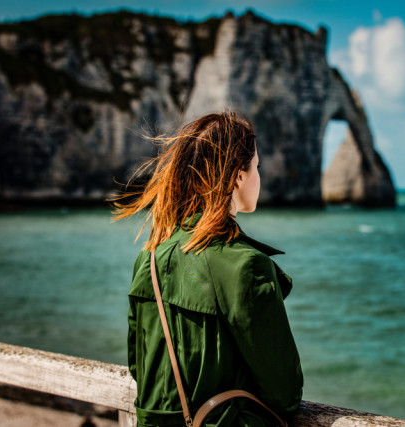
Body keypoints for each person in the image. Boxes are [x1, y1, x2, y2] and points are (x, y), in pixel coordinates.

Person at [112, 112, 304, 426]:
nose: (259, 177)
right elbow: (285, 393)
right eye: (256, 167)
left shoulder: (150, 257)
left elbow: (140, 365)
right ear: (238, 177)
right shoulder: (247, 265)